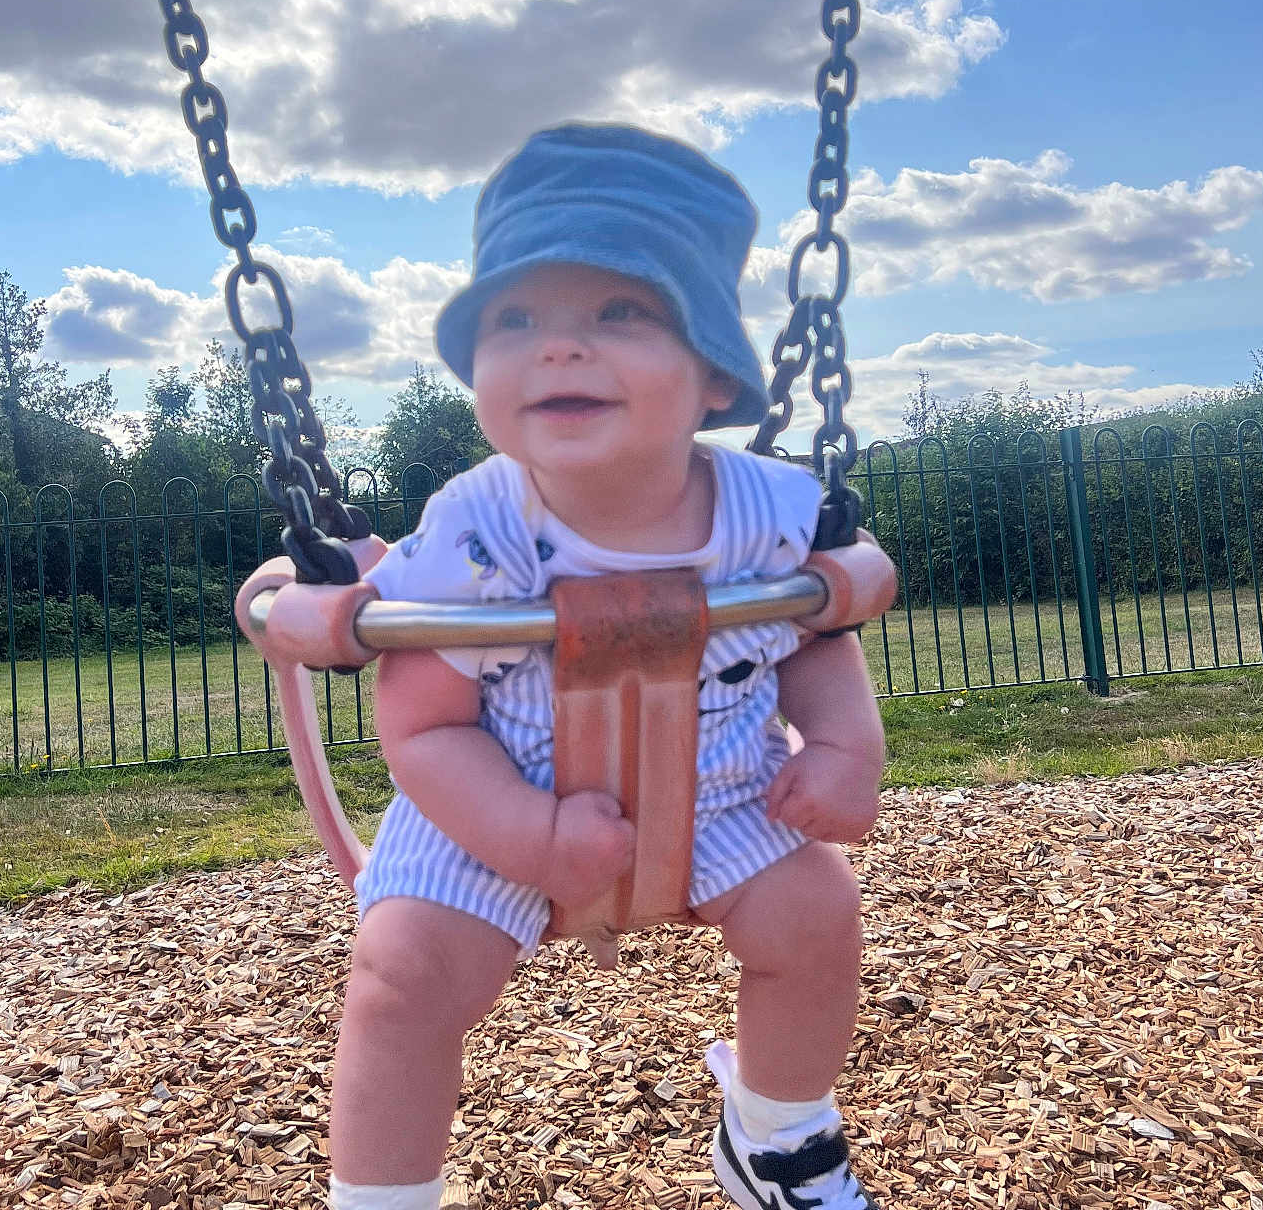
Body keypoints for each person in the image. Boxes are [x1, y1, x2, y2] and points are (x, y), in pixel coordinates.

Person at [323, 124, 885, 1210]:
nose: (559, 348)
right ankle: (380, 1199)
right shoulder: (475, 533)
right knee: (403, 973)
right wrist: (531, 837)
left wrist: (846, 747)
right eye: (516, 319)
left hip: (722, 789)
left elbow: (816, 636)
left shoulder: (773, 512)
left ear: (713, 373)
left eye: (619, 312)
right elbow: (423, 724)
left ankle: (780, 1138)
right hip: (494, 798)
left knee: (817, 913)